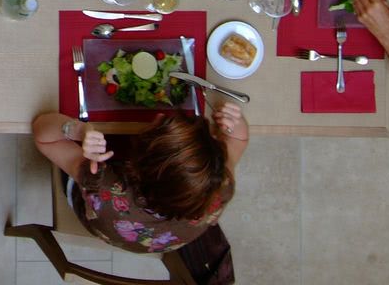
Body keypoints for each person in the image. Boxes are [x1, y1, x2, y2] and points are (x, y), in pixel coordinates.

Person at [32, 104, 247, 253]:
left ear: (134, 167)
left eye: (158, 126)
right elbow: (239, 138)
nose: (161, 115)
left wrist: (76, 130)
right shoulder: (219, 185)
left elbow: (43, 136)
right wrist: (233, 123)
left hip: (97, 213)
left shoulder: (104, 188)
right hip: (161, 237)